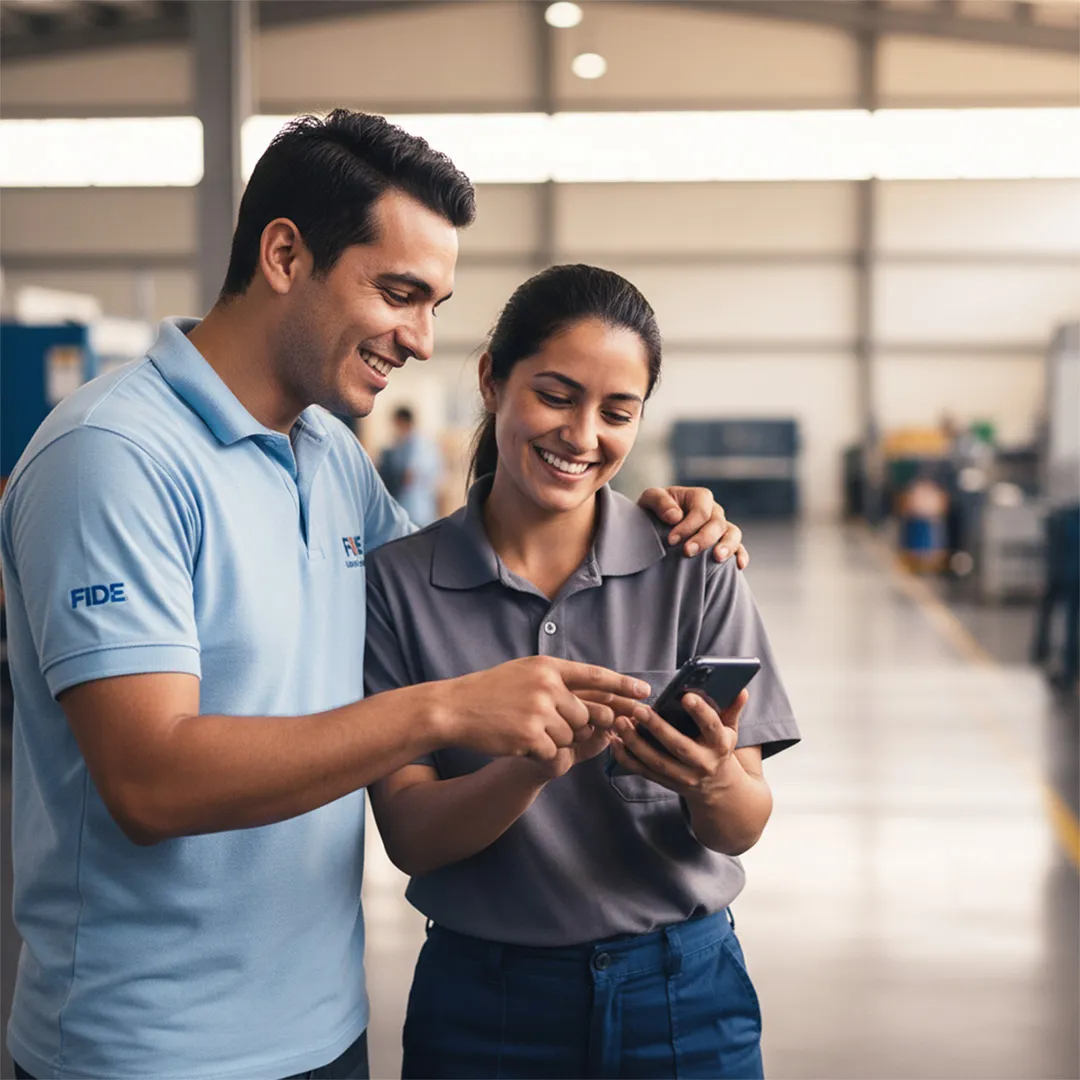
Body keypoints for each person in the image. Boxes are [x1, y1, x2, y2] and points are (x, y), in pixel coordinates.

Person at [0, 112, 750, 1080]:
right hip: (148, 1049)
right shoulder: (114, 457)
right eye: (399, 294)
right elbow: (150, 781)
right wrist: (439, 710)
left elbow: (472, 577)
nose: (422, 339)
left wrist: (645, 512)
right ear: (283, 253)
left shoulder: (331, 461)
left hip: (325, 1028)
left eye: (437, 303)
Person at [365, 264, 801, 1080]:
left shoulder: (696, 568)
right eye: (557, 395)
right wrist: (531, 768)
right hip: (486, 1011)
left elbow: (741, 824)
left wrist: (710, 783)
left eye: (617, 411)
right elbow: (410, 836)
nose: (582, 435)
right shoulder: (398, 586)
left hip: (684, 1003)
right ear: (494, 379)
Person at [377, 405, 443, 526]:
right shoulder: (400, 444)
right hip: (409, 508)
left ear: (402, 422)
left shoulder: (419, 444)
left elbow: (409, 476)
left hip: (417, 509)